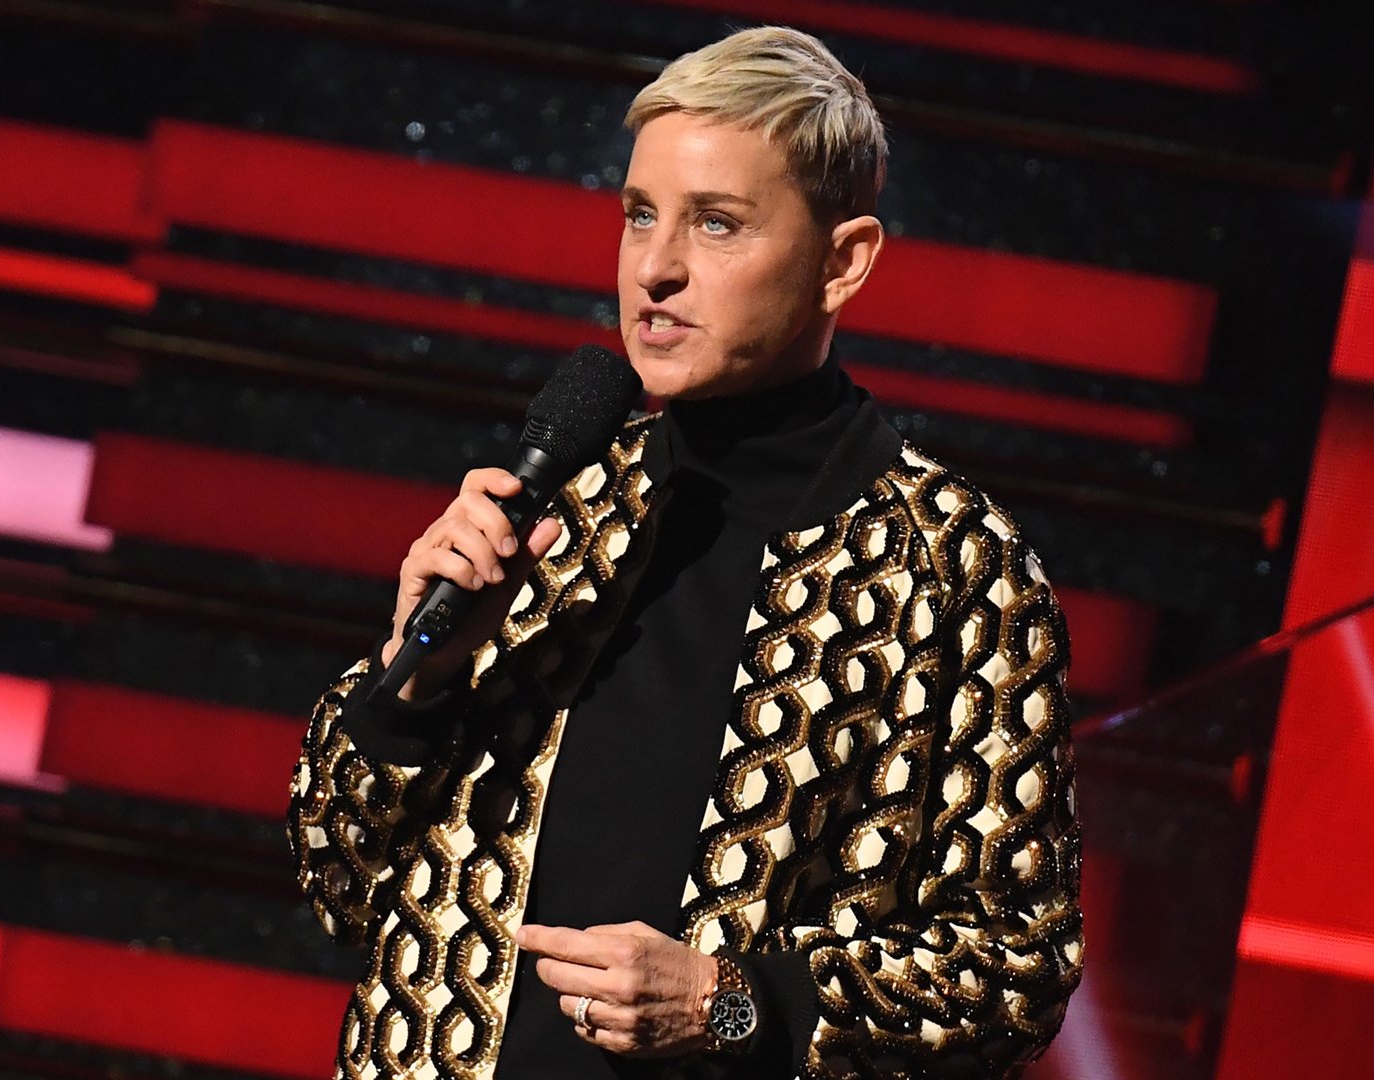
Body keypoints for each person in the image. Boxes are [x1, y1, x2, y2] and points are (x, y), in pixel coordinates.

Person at [287, 25, 1083, 1080]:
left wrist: (732, 1003)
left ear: (844, 262)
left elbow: (1015, 971)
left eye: (717, 225)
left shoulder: (952, 572)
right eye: (640, 216)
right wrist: (416, 682)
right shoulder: (557, 503)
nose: (656, 269)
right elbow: (338, 882)